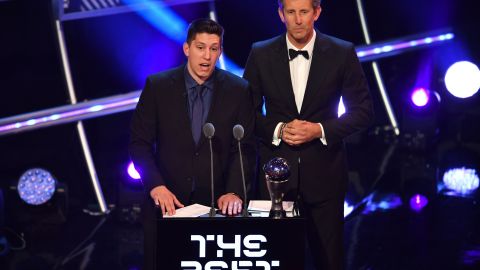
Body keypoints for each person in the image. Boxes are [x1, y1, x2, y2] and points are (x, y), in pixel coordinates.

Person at [243, 0, 374, 269]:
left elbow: (363, 111)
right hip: (274, 178)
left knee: (329, 260)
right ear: (281, 14)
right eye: (291, 12)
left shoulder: (341, 52)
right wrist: (278, 130)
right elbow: (245, 114)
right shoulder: (261, 53)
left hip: (326, 176)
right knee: (275, 260)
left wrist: (320, 130)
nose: (298, 20)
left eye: (304, 12)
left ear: (317, 12)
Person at [129, 18, 255, 270]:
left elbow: (245, 148)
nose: (207, 56)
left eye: (214, 48)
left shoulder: (238, 90)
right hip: (167, 205)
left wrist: (233, 191)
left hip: (216, 206)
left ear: (220, 51)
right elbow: (139, 144)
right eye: (200, 47)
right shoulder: (158, 86)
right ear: (187, 49)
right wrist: (156, 187)